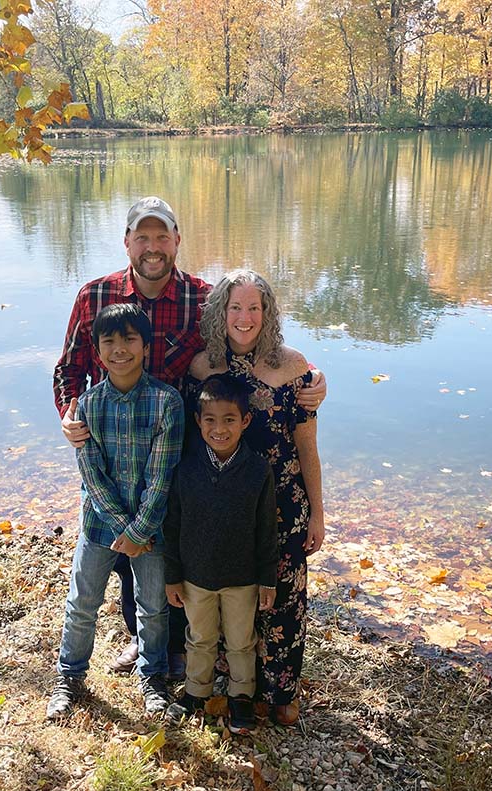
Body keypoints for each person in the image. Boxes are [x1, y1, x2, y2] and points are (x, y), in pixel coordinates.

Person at [53, 196, 327, 676]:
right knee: (123, 551)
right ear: (127, 242)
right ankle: (143, 641)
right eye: (143, 237)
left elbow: (249, 344)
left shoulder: (203, 299)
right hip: (114, 447)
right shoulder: (94, 297)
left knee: (174, 543)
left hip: (181, 448)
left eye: (163, 237)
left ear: (178, 241)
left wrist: (311, 377)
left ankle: (183, 645)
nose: (153, 248)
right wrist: (70, 412)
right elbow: (69, 369)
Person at [186, 269, 325, 727]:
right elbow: (192, 443)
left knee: (282, 599)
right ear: (220, 313)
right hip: (225, 508)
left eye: (254, 308)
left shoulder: (294, 367)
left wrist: (318, 515)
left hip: (284, 506)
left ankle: (282, 691)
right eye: (235, 308)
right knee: (232, 596)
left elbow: (308, 447)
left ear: (268, 315)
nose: (244, 318)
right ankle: (237, 691)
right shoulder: (203, 368)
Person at [46, 304, 184, 719]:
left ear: (145, 346)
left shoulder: (167, 402)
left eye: (129, 339)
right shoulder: (86, 406)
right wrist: (124, 530)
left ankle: (153, 677)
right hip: (98, 526)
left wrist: (139, 532)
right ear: (97, 350)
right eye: (109, 341)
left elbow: (161, 479)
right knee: (82, 602)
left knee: (153, 606)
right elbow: (91, 475)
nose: (119, 349)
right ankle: (69, 676)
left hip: (151, 528)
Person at [164, 374, 278, 734]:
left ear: (245, 422)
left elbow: (266, 531)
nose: (219, 429)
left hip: (242, 579)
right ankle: (197, 691)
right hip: (195, 577)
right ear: (198, 421)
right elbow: (173, 526)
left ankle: (241, 696)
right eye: (210, 420)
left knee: (242, 641)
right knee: (199, 637)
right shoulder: (186, 469)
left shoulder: (258, 471)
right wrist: (172, 575)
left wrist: (267, 579)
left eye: (229, 419)